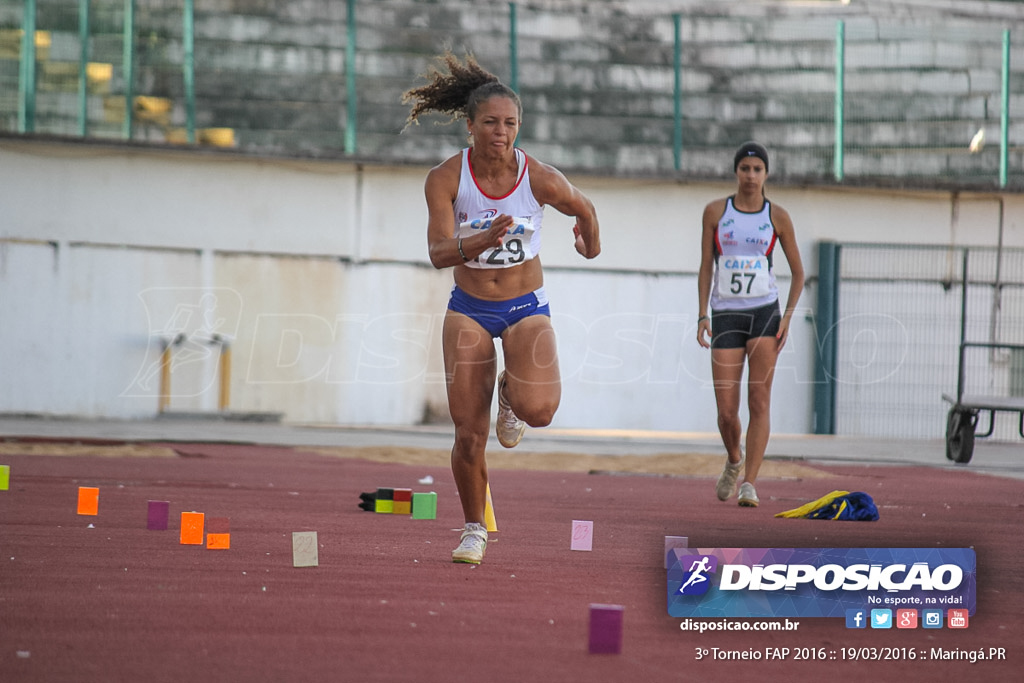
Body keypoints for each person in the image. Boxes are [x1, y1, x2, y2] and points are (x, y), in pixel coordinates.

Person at [403, 53, 600, 564]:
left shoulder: (539, 178)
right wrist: (480, 239)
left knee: (541, 412)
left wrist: (590, 242)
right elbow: (437, 253)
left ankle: (511, 391)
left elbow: (585, 207)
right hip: (469, 306)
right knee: (469, 433)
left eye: (510, 123)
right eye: (490, 123)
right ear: (470, 126)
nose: (501, 132)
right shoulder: (447, 179)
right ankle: (473, 528)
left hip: (525, 305)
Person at [696, 141, 805, 508]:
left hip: (764, 313)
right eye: (745, 169)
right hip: (726, 313)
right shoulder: (715, 212)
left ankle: (750, 483)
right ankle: (733, 458)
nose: (751, 176)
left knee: (759, 399)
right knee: (727, 411)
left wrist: (787, 317)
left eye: (758, 170)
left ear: (766, 175)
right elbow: (705, 266)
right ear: (736, 172)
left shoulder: (777, 217)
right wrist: (702, 314)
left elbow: (799, 272)